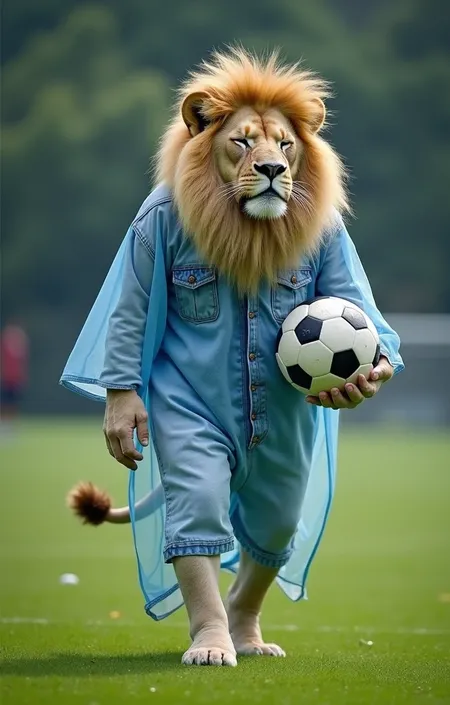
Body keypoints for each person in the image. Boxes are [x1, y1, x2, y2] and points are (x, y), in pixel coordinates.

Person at [62, 49, 404, 667]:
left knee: (278, 521)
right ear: (200, 134)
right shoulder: (164, 217)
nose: (269, 162)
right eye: (243, 146)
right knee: (194, 497)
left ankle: (244, 612)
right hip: (189, 397)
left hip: (284, 405)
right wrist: (121, 393)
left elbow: (357, 310)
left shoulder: (320, 224)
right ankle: (208, 627)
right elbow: (129, 307)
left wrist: (373, 367)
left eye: (283, 149)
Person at [1, 323, 29, 427]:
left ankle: (10, 424)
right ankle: (4, 423)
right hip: (5, 378)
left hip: (16, 379)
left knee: (13, 402)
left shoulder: (20, 348)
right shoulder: (5, 346)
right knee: (4, 401)